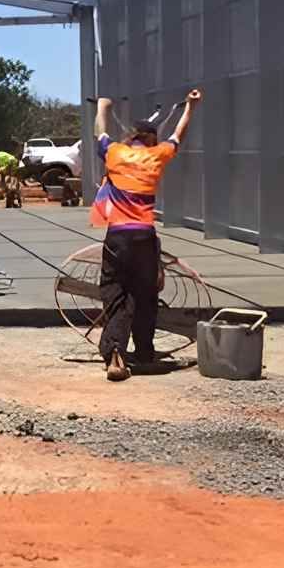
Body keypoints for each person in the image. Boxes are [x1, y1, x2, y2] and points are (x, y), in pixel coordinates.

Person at [91, 89, 201, 380]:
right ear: (152, 140)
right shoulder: (157, 156)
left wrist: (103, 106)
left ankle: (115, 355)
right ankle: (143, 353)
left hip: (117, 235)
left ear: (131, 137)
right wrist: (191, 107)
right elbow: (179, 134)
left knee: (115, 292)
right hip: (143, 236)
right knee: (145, 295)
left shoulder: (115, 153)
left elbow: (99, 133)